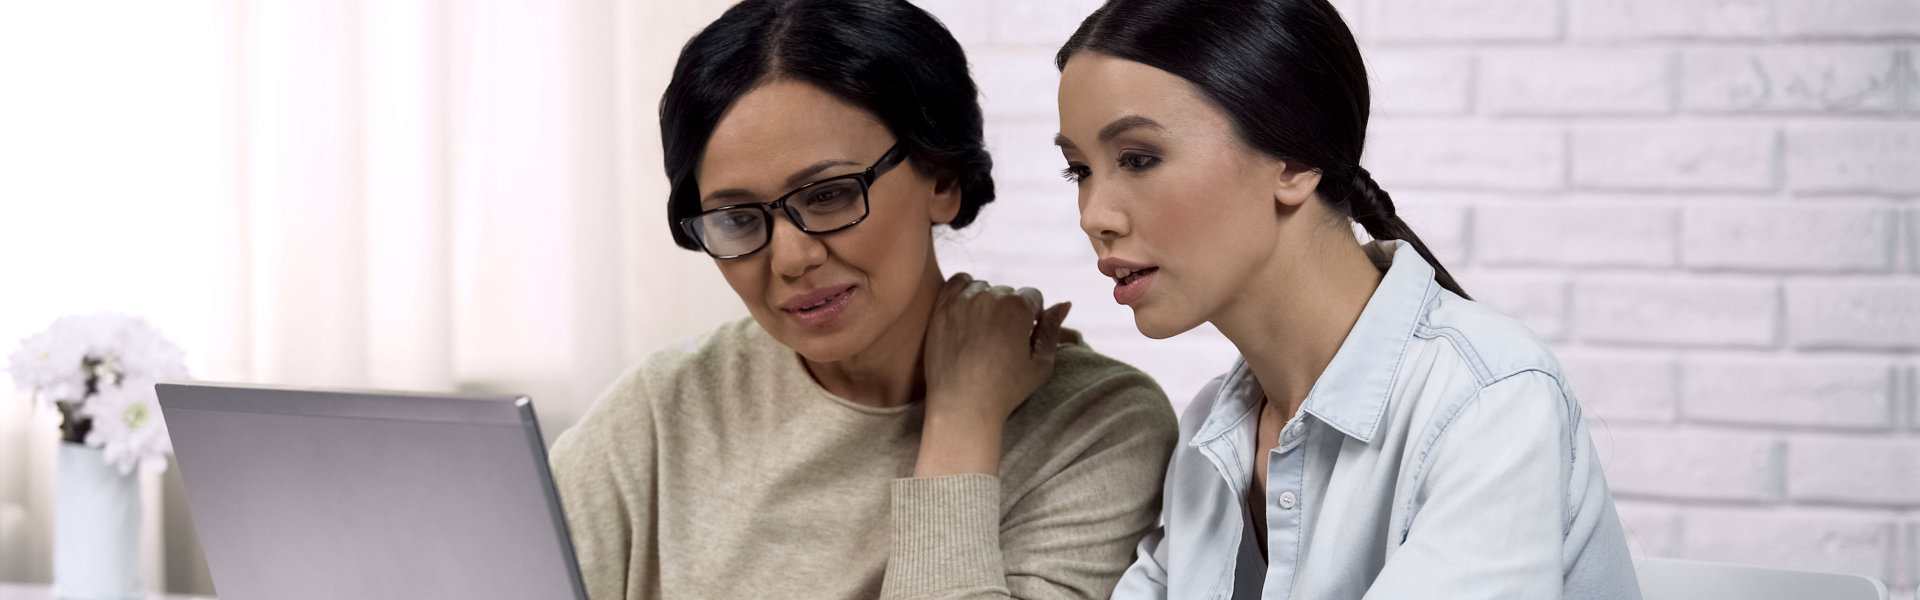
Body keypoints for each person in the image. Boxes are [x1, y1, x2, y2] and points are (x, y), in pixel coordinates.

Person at [548, 1, 1178, 598]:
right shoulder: (659, 414)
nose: (791, 259)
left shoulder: (1097, 427)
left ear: (943, 179)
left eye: (828, 196)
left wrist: (962, 422)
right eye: (738, 218)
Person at [1051, 0, 1641, 597]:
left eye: (1138, 159)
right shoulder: (1214, 427)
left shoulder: (1487, 400)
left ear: (1296, 161)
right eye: (1080, 171)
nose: (1094, 216)